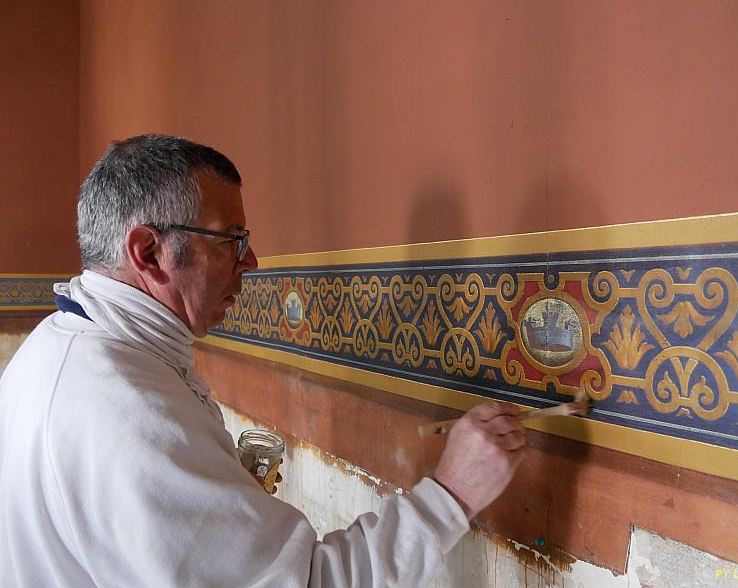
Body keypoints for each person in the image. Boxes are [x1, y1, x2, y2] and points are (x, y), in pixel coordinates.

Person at [0, 134, 526, 587]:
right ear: (149, 252)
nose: (250, 262)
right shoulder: (125, 409)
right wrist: (453, 493)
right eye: (232, 239)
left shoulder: (57, 346)